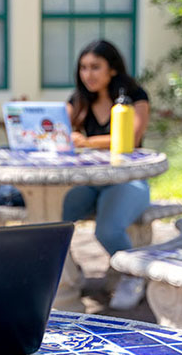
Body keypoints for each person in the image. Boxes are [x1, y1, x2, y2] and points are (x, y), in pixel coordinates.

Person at [63, 39, 151, 310]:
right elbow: (60, 134)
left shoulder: (134, 98)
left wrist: (87, 142)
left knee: (107, 230)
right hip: (89, 181)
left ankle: (133, 275)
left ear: (112, 70)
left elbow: (131, 139)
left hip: (128, 180)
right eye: (83, 67)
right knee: (51, 216)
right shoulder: (77, 102)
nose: (87, 74)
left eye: (95, 67)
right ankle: (66, 271)